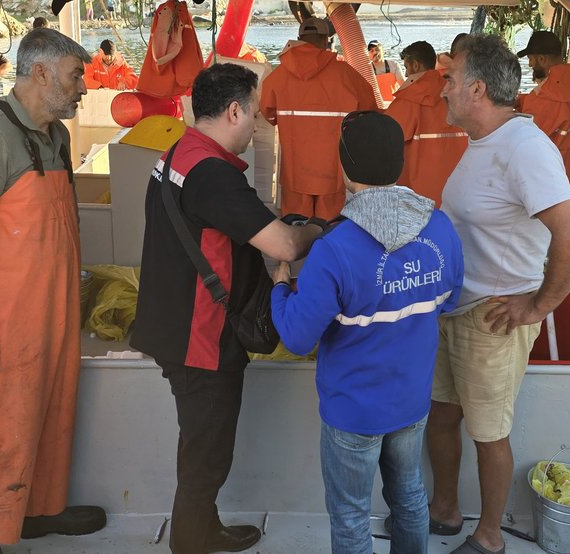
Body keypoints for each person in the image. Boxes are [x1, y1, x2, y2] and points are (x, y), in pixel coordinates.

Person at [130, 63, 324, 554]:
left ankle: (202, 527)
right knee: (207, 451)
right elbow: (282, 245)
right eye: (255, 114)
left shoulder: (179, 152)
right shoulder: (212, 175)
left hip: (172, 320)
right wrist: (317, 230)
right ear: (234, 110)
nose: (256, 123)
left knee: (202, 441)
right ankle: (191, 541)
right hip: (201, 335)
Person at [0, 28, 105, 554]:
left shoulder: (55, 135)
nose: (83, 88)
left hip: (50, 312)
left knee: (52, 414)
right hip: (1, 323)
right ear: (40, 74)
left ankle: (38, 513)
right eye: (76, 77)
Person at [427, 35, 570, 554]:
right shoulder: (484, 143)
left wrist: (538, 305)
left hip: (493, 317)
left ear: (476, 88)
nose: (443, 91)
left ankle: (490, 536)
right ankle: (445, 510)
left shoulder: (525, 148)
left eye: (450, 80)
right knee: (441, 415)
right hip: (453, 308)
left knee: (488, 432)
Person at [270, 110, 463, 554]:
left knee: (352, 516)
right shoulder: (440, 228)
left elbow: (298, 338)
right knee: (411, 497)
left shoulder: (334, 249)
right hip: (412, 400)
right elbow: (448, 300)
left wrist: (280, 287)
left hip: (354, 411)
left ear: (345, 167)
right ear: (400, 163)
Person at [260, 17, 377, 220]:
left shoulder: (278, 77)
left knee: (295, 230)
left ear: (299, 39)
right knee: (330, 232)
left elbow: (268, 113)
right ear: (326, 40)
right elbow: (369, 113)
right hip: (334, 175)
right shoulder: (347, 74)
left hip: (295, 174)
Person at [516, 30, 570, 203]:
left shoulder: (546, 96)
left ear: (542, 59)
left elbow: (525, 141)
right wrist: (523, 100)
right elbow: (561, 115)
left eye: (531, 59)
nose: (530, 65)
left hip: (550, 189)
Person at [385, 40, 467, 206]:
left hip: (419, 195)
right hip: (462, 191)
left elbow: (384, 138)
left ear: (415, 66)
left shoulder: (408, 99)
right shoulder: (459, 94)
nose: (406, 75)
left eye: (406, 68)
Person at [136, 0, 203, 98]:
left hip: (171, 80)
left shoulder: (169, 11)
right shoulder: (179, 11)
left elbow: (160, 50)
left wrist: (158, 62)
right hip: (184, 77)